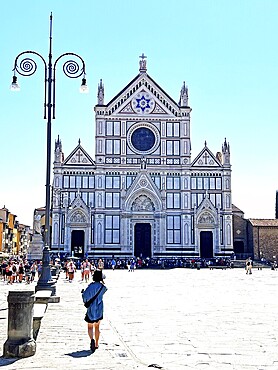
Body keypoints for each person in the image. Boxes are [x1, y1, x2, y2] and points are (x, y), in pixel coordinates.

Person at [82, 270, 107, 353]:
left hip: (91, 309)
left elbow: (85, 297)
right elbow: (104, 289)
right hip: (99, 309)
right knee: (97, 327)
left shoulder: (90, 286)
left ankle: (91, 339)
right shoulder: (102, 287)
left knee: (90, 326)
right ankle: (96, 343)